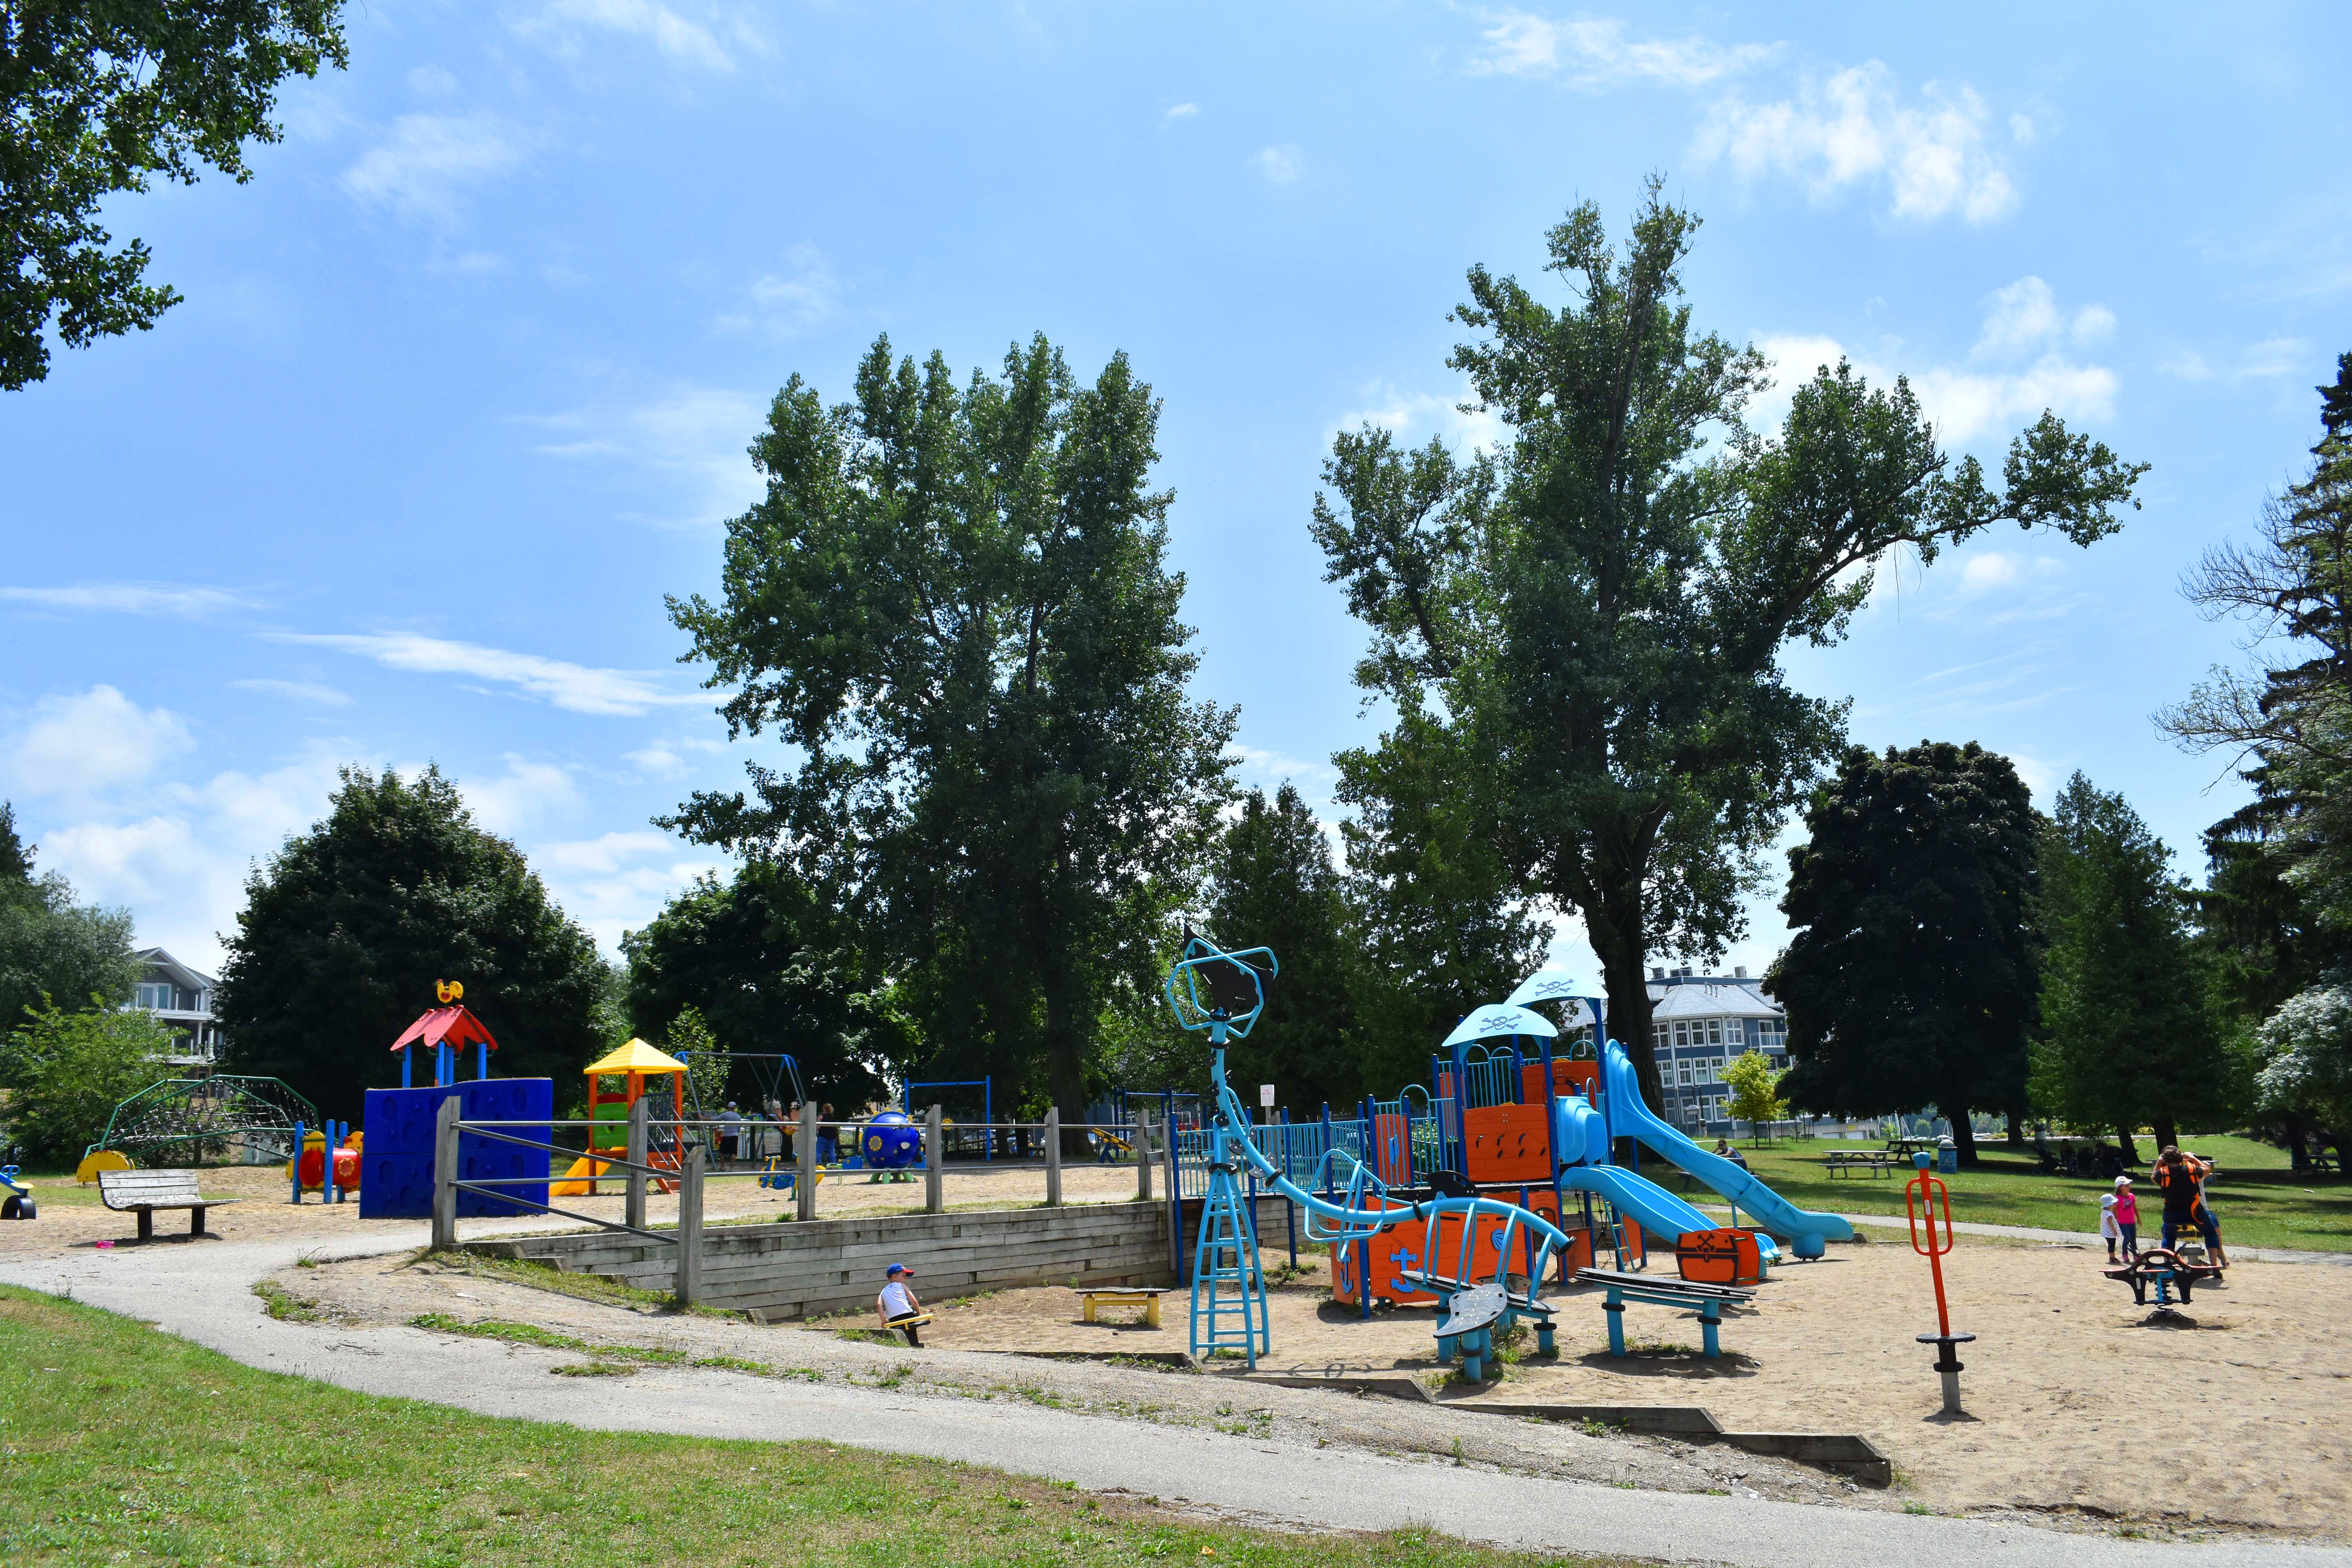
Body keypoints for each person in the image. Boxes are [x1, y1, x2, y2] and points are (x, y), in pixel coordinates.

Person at [2152, 1146, 2225, 1266]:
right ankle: (2214, 1266)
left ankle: (2168, 1266)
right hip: (2194, 1213)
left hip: (2172, 1214)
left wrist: (2160, 1161)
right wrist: (2192, 1157)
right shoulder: (2192, 1170)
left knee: (2169, 1236)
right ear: (2180, 1157)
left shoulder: (2163, 1174)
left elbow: (2153, 1176)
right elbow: (2207, 1169)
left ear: (2166, 1160)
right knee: (2211, 1234)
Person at [877, 1263, 926, 1346]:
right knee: (911, 1328)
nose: (905, 1279)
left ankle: (902, 1345)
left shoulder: (884, 1291)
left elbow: (878, 1305)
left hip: (894, 1319)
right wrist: (919, 1313)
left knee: (898, 1333)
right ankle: (915, 1344)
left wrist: (883, 1321)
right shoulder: (902, 1286)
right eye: (904, 1276)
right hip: (908, 1315)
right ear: (895, 1277)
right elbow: (914, 1301)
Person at [2111, 1175, 2138, 1258]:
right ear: (2120, 1187)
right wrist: (2116, 1220)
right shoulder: (2118, 1199)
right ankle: (2125, 1254)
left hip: (2132, 1222)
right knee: (2128, 1238)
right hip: (2123, 1223)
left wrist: (2139, 1218)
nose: (2129, 1187)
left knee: (2133, 1239)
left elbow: (2135, 1208)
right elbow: (2114, 1210)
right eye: (2126, 1185)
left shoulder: (2131, 1196)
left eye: (2129, 1185)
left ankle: (2136, 1254)